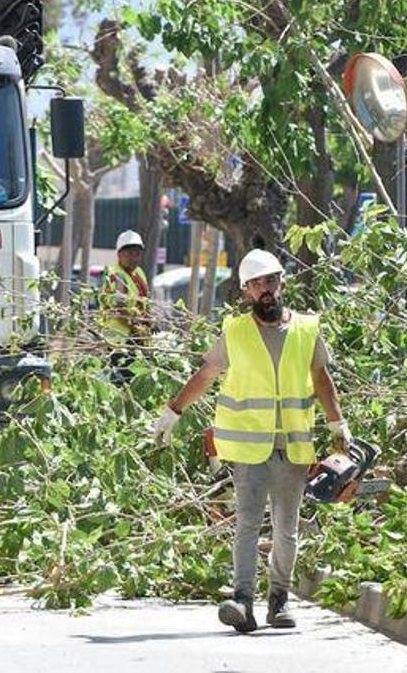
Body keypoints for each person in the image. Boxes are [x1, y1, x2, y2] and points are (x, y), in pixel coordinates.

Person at [149, 248, 351, 633]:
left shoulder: (307, 329)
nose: (266, 290)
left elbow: (322, 379)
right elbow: (206, 374)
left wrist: (337, 423)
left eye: (271, 281)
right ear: (245, 291)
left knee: (286, 528)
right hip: (249, 448)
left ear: (282, 283)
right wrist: (174, 411)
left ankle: (280, 600)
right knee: (247, 523)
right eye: (257, 284)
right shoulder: (235, 331)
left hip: (293, 447)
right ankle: (242, 600)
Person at [100, 230, 152, 384]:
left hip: (136, 339)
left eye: (136, 254)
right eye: (129, 254)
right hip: (119, 340)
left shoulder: (139, 273)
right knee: (123, 382)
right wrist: (136, 325)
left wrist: (150, 321)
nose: (133, 258)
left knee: (137, 381)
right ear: (119, 254)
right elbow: (119, 308)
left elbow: (144, 300)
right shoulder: (116, 276)